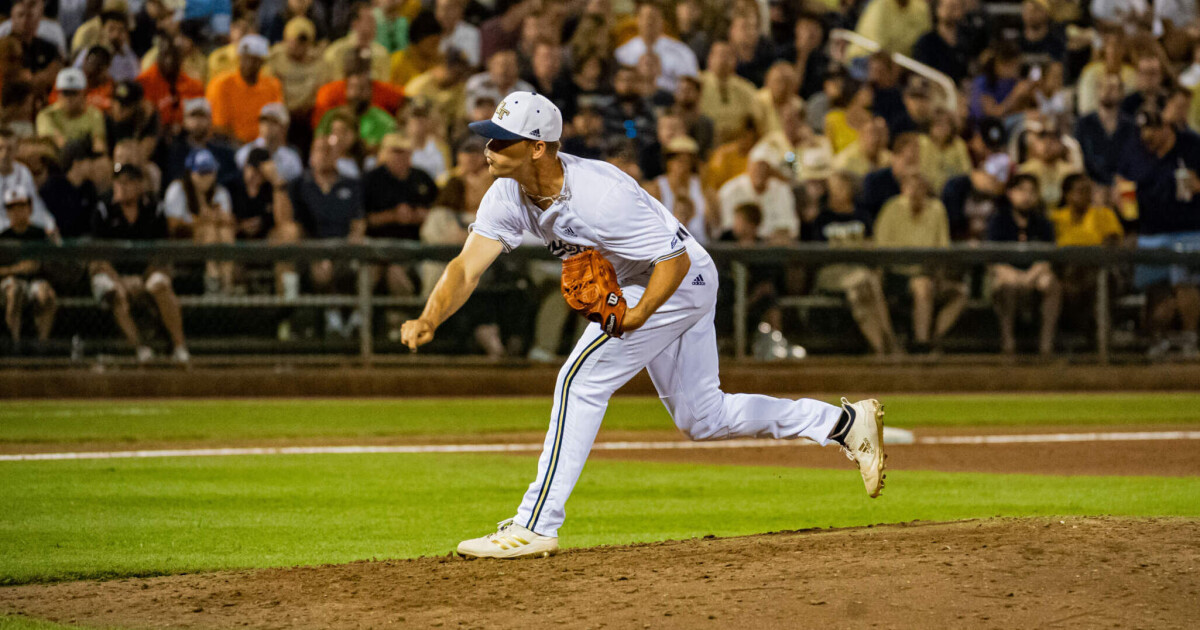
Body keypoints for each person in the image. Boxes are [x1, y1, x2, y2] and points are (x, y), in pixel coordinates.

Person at [400, 91, 887, 559]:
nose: (487, 148)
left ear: (537, 147)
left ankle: (535, 524)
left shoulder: (600, 193)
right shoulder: (508, 194)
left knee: (579, 380)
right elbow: (466, 267)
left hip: (677, 277)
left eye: (500, 139)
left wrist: (638, 314)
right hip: (657, 277)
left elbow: (672, 259)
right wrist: (429, 316)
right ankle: (843, 424)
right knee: (704, 418)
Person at [1116, 102, 1200, 359]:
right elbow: (1122, 187)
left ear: (1167, 127)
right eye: (1142, 130)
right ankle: (1157, 340)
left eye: (1152, 129)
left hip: (1189, 229)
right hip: (1150, 232)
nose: (1146, 136)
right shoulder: (1136, 151)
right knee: (1154, 289)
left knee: (1185, 283)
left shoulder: (1191, 146)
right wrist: (1129, 224)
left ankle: (1189, 338)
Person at [89, 162, 189, 363]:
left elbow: (162, 252)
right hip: (112, 274)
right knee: (113, 292)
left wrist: (142, 279)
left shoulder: (154, 208)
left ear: (140, 185)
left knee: (160, 284)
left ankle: (180, 348)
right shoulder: (103, 208)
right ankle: (141, 350)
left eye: (128, 182)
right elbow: (97, 256)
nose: (122, 186)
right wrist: (121, 281)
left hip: (146, 272)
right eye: (118, 182)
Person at [874, 173, 968, 353]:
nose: (915, 193)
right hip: (897, 275)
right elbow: (882, 249)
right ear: (903, 189)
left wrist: (938, 274)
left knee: (961, 292)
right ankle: (921, 344)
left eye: (920, 188)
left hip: (930, 273)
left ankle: (933, 338)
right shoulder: (891, 208)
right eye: (911, 187)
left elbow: (943, 248)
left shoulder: (937, 208)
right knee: (922, 286)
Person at [810, 170, 899, 357]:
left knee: (859, 294)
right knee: (868, 281)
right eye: (834, 188)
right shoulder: (822, 218)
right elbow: (817, 253)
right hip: (831, 273)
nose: (838, 192)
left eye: (842, 187)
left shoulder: (862, 215)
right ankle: (890, 342)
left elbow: (872, 246)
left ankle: (879, 349)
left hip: (859, 272)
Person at [290, 135, 366, 337]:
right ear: (311, 156)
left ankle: (355, 319)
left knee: (358, 266)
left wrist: (350, 247)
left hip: (344, 248)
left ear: (337, 155)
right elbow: (296, 228)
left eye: (329, 150)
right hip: (312, 251)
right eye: (319, 150)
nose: (324, 155)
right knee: (321, 270)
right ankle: (332, 318)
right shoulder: (300, 185)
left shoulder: (351, 184)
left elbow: (358, 224)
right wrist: (315, 255)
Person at [364, 133, 437, 338]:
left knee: (397, 274)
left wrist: (421, 216)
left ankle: (400, 325)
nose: (401, 156)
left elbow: (439, 211)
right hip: (375, 248)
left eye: (405, 151)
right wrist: (392, 216)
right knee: (373, 273)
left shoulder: (421, 177)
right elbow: (363, 220)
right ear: (385, 154)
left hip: (414, 249)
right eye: (396, 151)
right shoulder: (372, 179)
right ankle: (359, 322)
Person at [987, 173, 1061, 356]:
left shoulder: (1043, 223)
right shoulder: (998, 220)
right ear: (1010, 193)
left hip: (1035, 275)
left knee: (1051, 284)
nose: (1026, 196)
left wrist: (1029, 277)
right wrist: (1014, 276)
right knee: (1006, 285)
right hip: (1007, 275)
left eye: (1031, 191)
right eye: (1021, 190)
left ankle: (1046, 347)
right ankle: (1008, 344)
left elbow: (1047, 257)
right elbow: (992, 259)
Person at [163, 148, 235, 294]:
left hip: (212, 241)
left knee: (224, 231)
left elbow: (230, 224)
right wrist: (201, 221)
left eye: (210, 172)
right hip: (182, 247)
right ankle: (213, 283)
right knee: (208, 229)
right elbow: (173, 226)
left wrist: (221, 220)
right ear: (191, 173)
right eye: (202, 173)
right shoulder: (177, 189)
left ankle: (226, 284)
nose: (206, 178)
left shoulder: (220, 193)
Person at [0, 184, 56, 351]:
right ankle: (15, 346)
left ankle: (41, 346)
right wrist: (17, 270)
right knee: (14, 290)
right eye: (12, 208)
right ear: (8, 212)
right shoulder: (3, 238)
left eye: (21, 206)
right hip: (10, 282)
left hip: (37, 281)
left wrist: (38, 265)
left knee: (45, 295)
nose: (17, 211)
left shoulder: (40, 235)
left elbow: (50, 264)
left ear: (29, 208)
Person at [206, 35, 285, 144]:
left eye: (254, 59)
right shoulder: (221, 83)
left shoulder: (272, 85)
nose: (248, 63)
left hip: (263, 144)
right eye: (245, 58)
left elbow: (278, 120)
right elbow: (219, 127)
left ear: (262, 62)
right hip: (228, 145)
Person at [718, 143, 798, 243]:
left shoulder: (782, 190)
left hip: (772, 250)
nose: (760, 171)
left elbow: (791, 228)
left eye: (765, 167)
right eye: (757, 166)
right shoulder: (730, 191)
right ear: (749, 167)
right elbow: (728, 229)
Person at [613, 1, 698, 92]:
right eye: (645, 18)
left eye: (653, 18)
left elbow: (691, 87)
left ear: (662, 21)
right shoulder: (622, 53)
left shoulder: (682, 52)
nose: (649, 22)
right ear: (637, 20)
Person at [39, 137, 101, 239]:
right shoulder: (53, 187)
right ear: (77, 163)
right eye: (90, 161)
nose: (93, 166)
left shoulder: (89, 188)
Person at [36, 68, 105, 148]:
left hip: (86, 159)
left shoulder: (94, 114)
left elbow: (99, 145)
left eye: (74, 93)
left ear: (83, 93)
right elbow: (57, 141)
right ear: (59, 94)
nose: (69, 98)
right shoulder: (46, 115)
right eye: (66, 93)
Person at [235, 103, 303, 183]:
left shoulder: (291, 159)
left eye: (273, 122)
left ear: (284, 127)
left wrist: (276, 178)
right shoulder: (245, 152)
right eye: (263, 121)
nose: (267, 126)